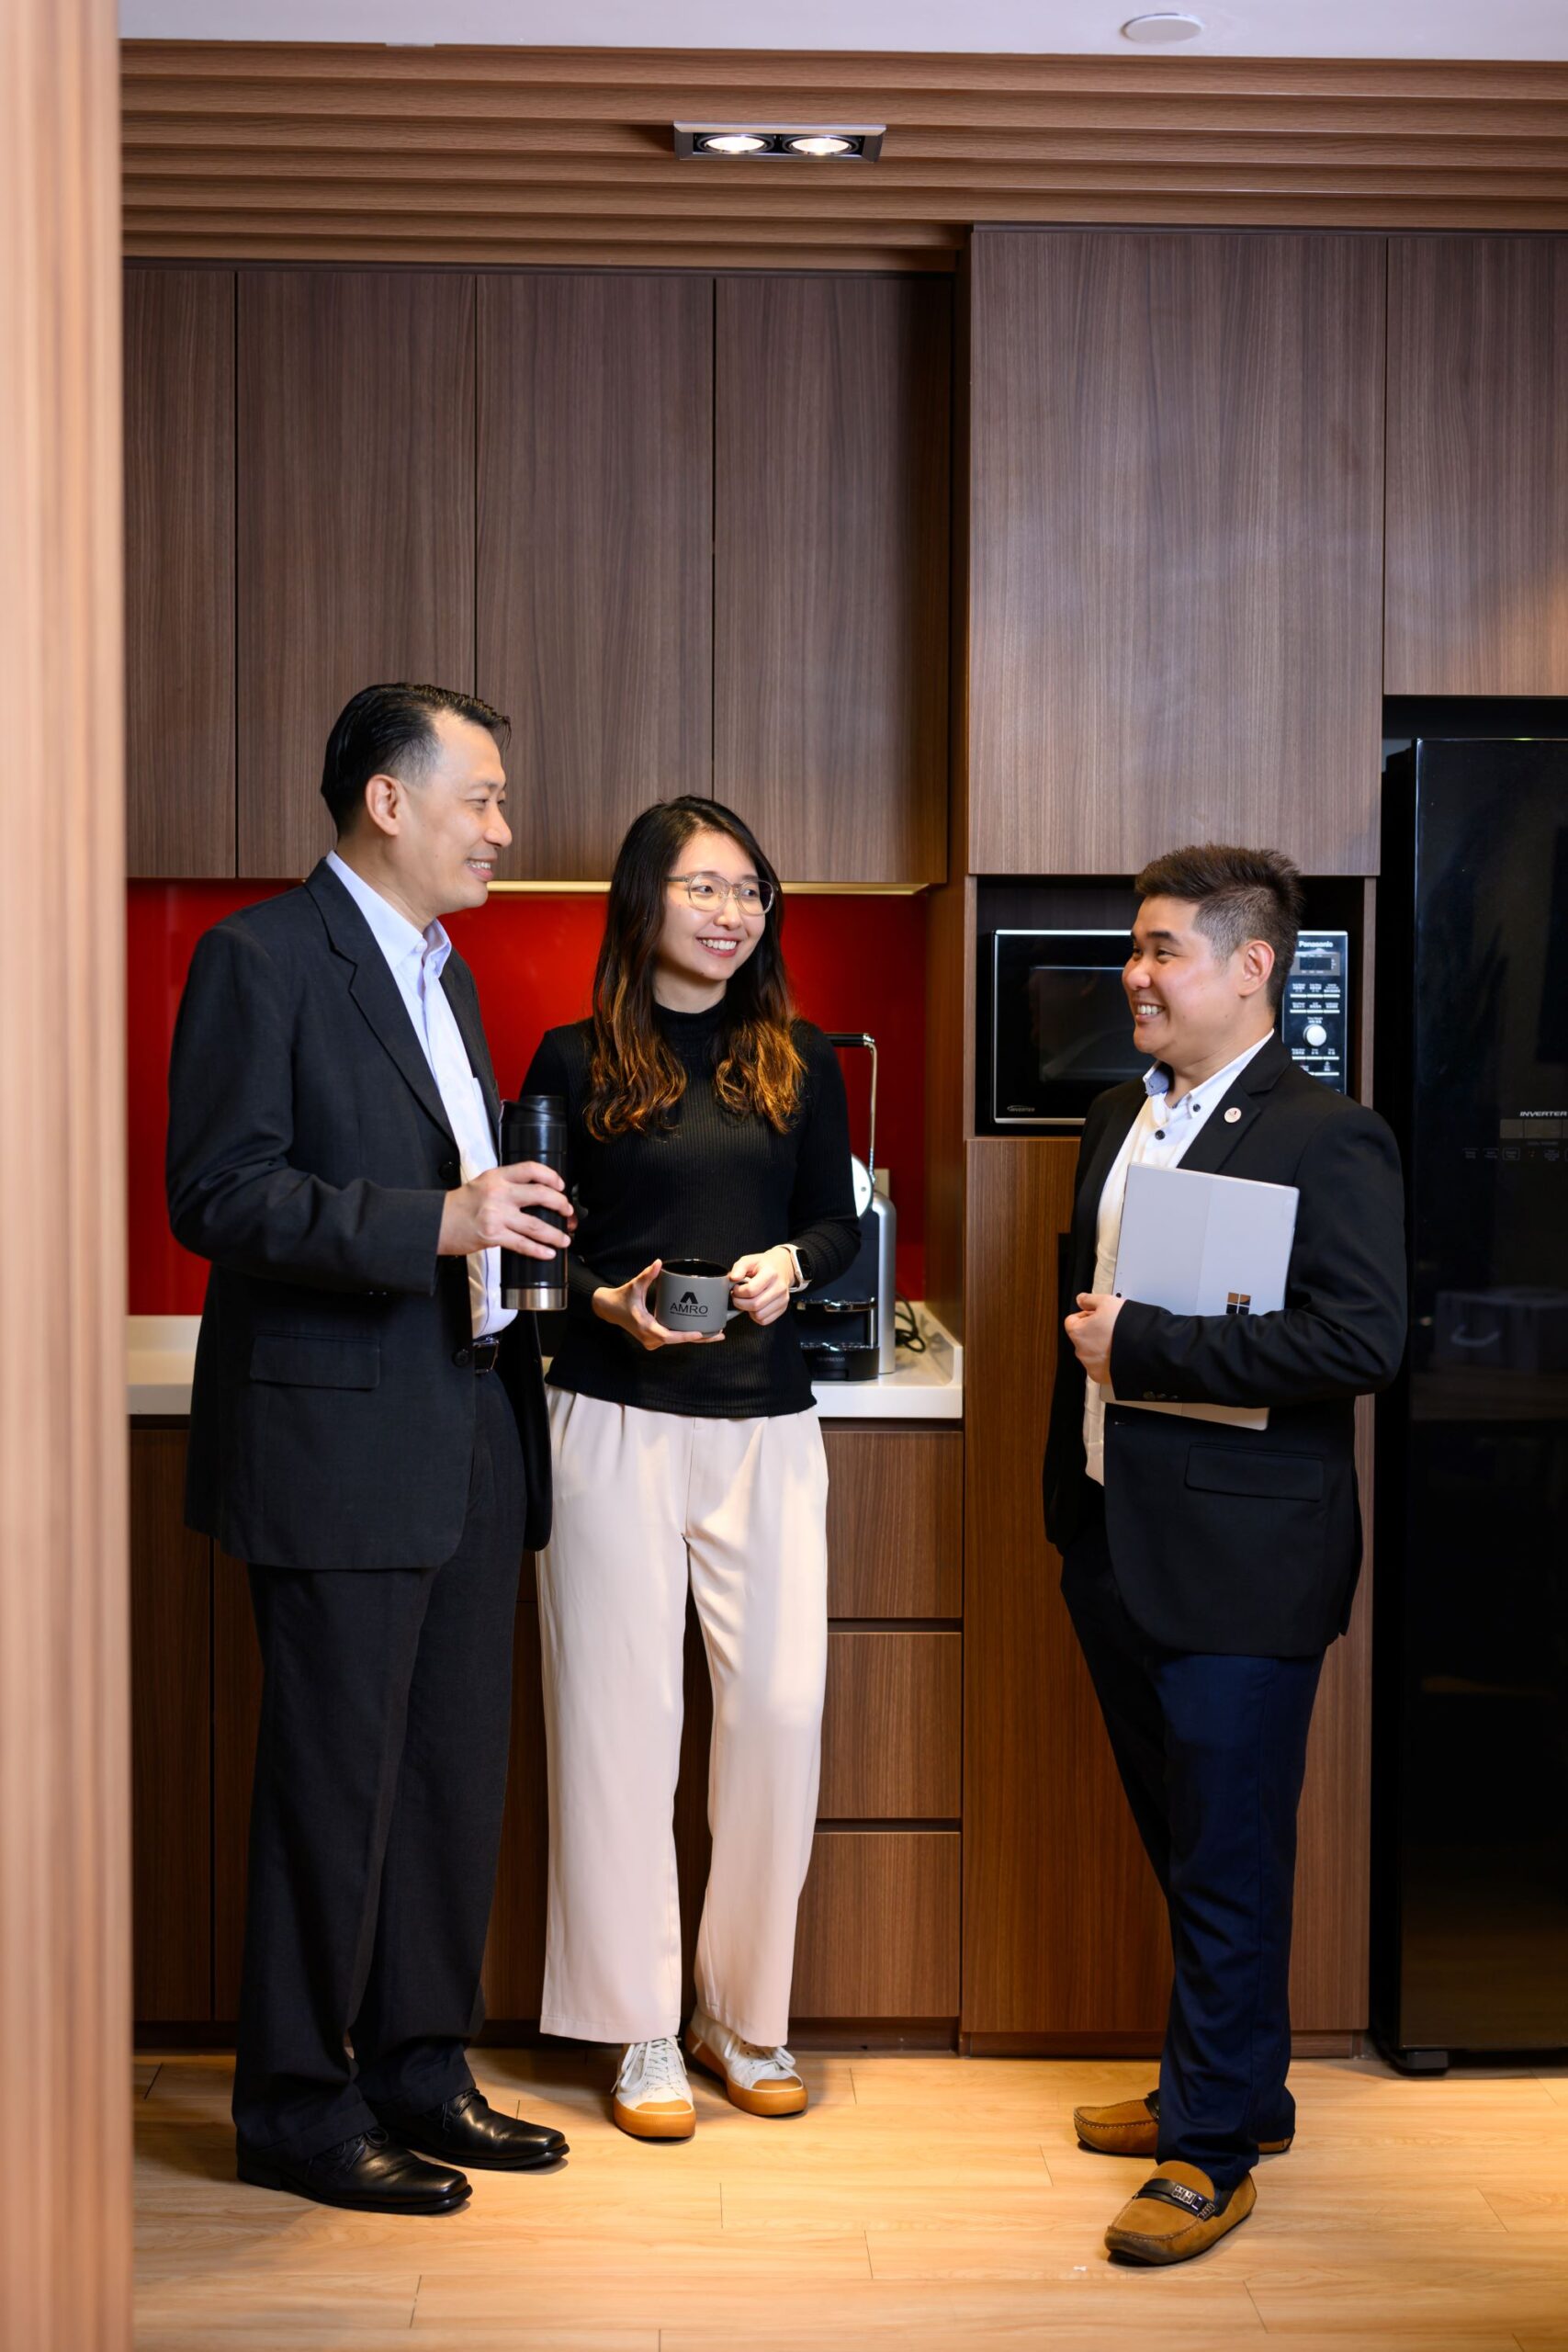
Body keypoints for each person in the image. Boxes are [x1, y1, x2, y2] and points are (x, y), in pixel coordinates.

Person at [167, 683, 573, 2215]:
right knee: (333, 1783)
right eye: (483, 797)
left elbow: (453, 1197)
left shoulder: (441, 976)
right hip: (335, 1443)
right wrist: (443, 1222)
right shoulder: (262, 956)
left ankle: (417, 2064)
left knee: (452, 1778)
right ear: (388, 802)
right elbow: (219, 1193)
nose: (504, 829)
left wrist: (516, 1254)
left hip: (468, 1419)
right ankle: (292, 2102)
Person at [1043, 842, 1405, 2266]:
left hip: (1245, 1565)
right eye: (1132, 949)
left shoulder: (1329, 1135)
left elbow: (1359, 1343)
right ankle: (1236, 2086)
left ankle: (1206, 2157)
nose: (1133, 975)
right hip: (1112, 1538)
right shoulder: (1114, 1116)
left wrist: (1144, 1346)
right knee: (1187, 1843)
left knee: (1229, 1856)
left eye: (1161, 950)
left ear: (1253, 968)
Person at [523, 796, 860, 2140]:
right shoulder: (569, 1059)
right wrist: (608, 1302)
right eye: (705, 888)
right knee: (618, 1728)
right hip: (610, 1420)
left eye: (750, 892)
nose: (733, 914)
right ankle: (640, 2027)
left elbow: (834, 1222)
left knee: (778, 1719)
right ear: (645, 899)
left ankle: (742, 2012)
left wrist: (792, 1267)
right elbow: (536, 1249)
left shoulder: (802, 1058)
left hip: (766, 1426)